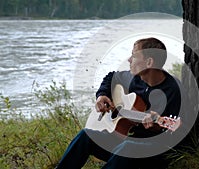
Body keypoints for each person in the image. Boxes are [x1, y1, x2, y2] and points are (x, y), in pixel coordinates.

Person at [56, 37, 185, 169]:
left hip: (152, 152)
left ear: (149, 62)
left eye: (134, 56)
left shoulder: (173, 90)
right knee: (86, 135)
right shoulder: (135, 78)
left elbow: (174, 135)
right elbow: (111, 77)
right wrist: (102, 95)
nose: (129, 60)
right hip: (127, 140)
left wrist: (155, 127)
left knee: (127, 147)